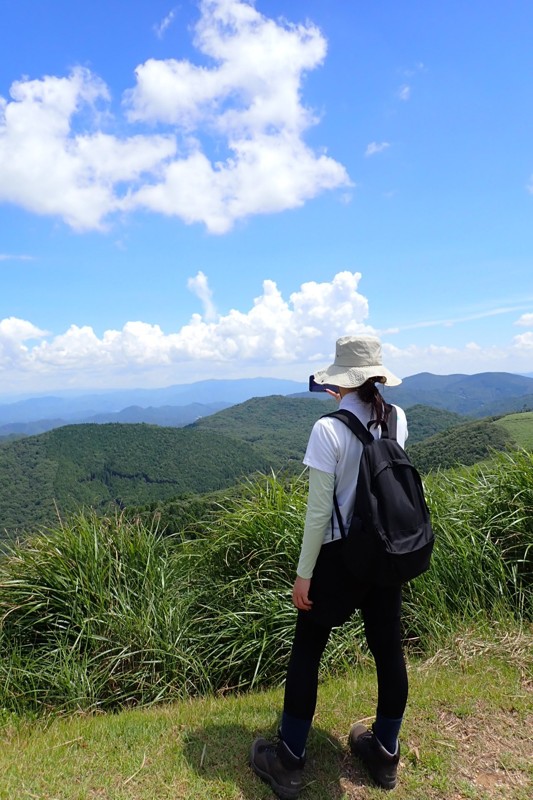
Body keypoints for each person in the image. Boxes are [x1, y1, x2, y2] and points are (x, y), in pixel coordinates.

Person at [250, 335, 409, 798]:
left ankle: (289, 759)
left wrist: (304, 573)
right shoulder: (397, 418)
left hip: (338, 558)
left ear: (340, 381)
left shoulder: (328, 430)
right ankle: (385, 750)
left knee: (308, 650)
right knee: (387, 649)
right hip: (384, 555)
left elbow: (319, 513)